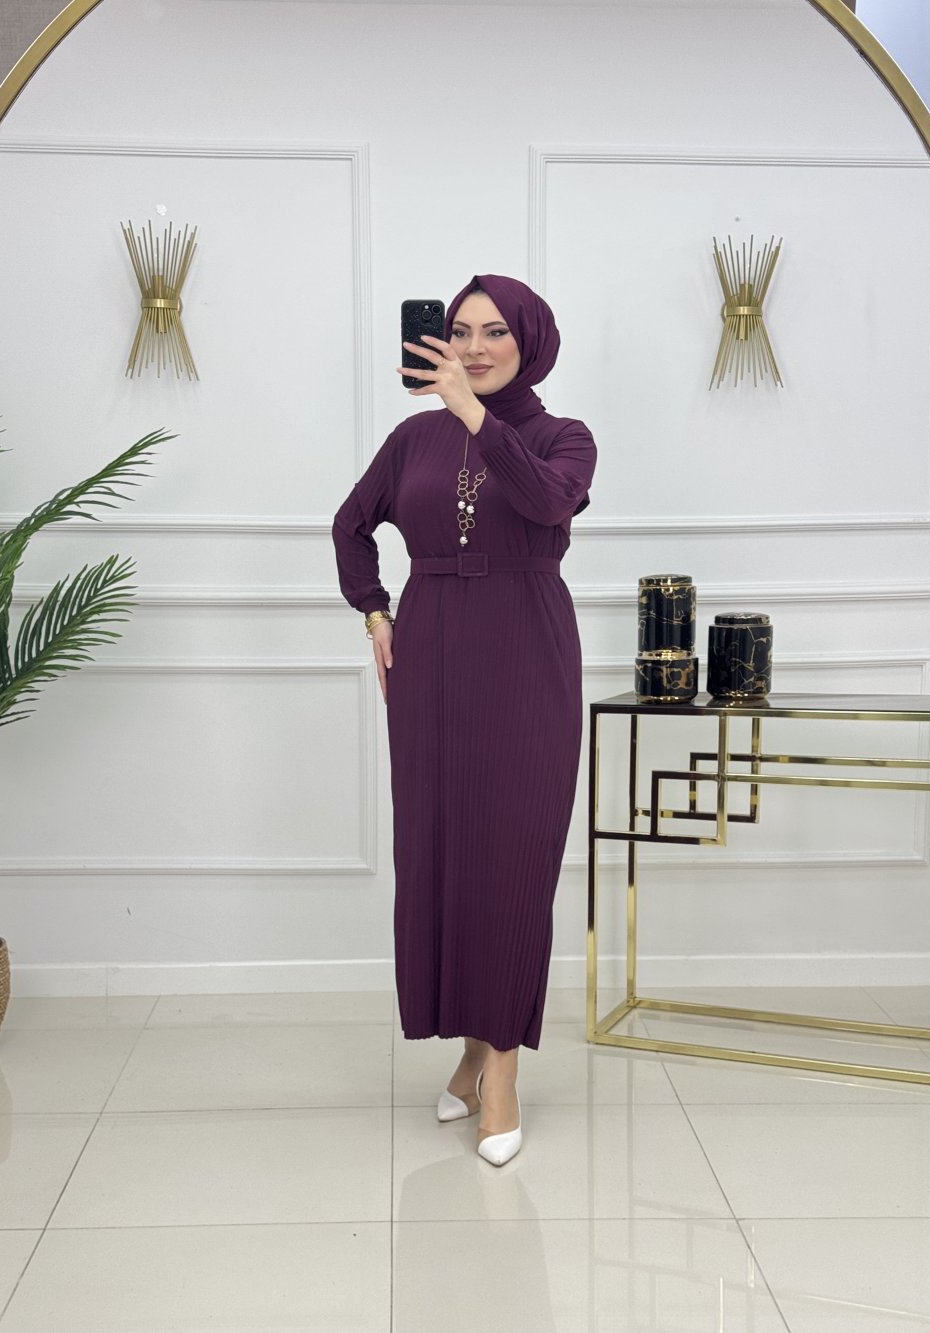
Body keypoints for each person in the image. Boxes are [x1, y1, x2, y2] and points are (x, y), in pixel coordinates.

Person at [332, 274, 596, 1165]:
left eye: (493, 332)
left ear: (530, 341)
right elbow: (350, 524)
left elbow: (546, 502)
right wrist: (375, 612)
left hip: (527, 656)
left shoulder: (564, 437)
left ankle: (503, 1074)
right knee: (444, 854)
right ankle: (473, 1053)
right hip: (432, 658)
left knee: (512, 860)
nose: (474, 347)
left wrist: (474, 413)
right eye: (459, 330)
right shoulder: (414, 438)